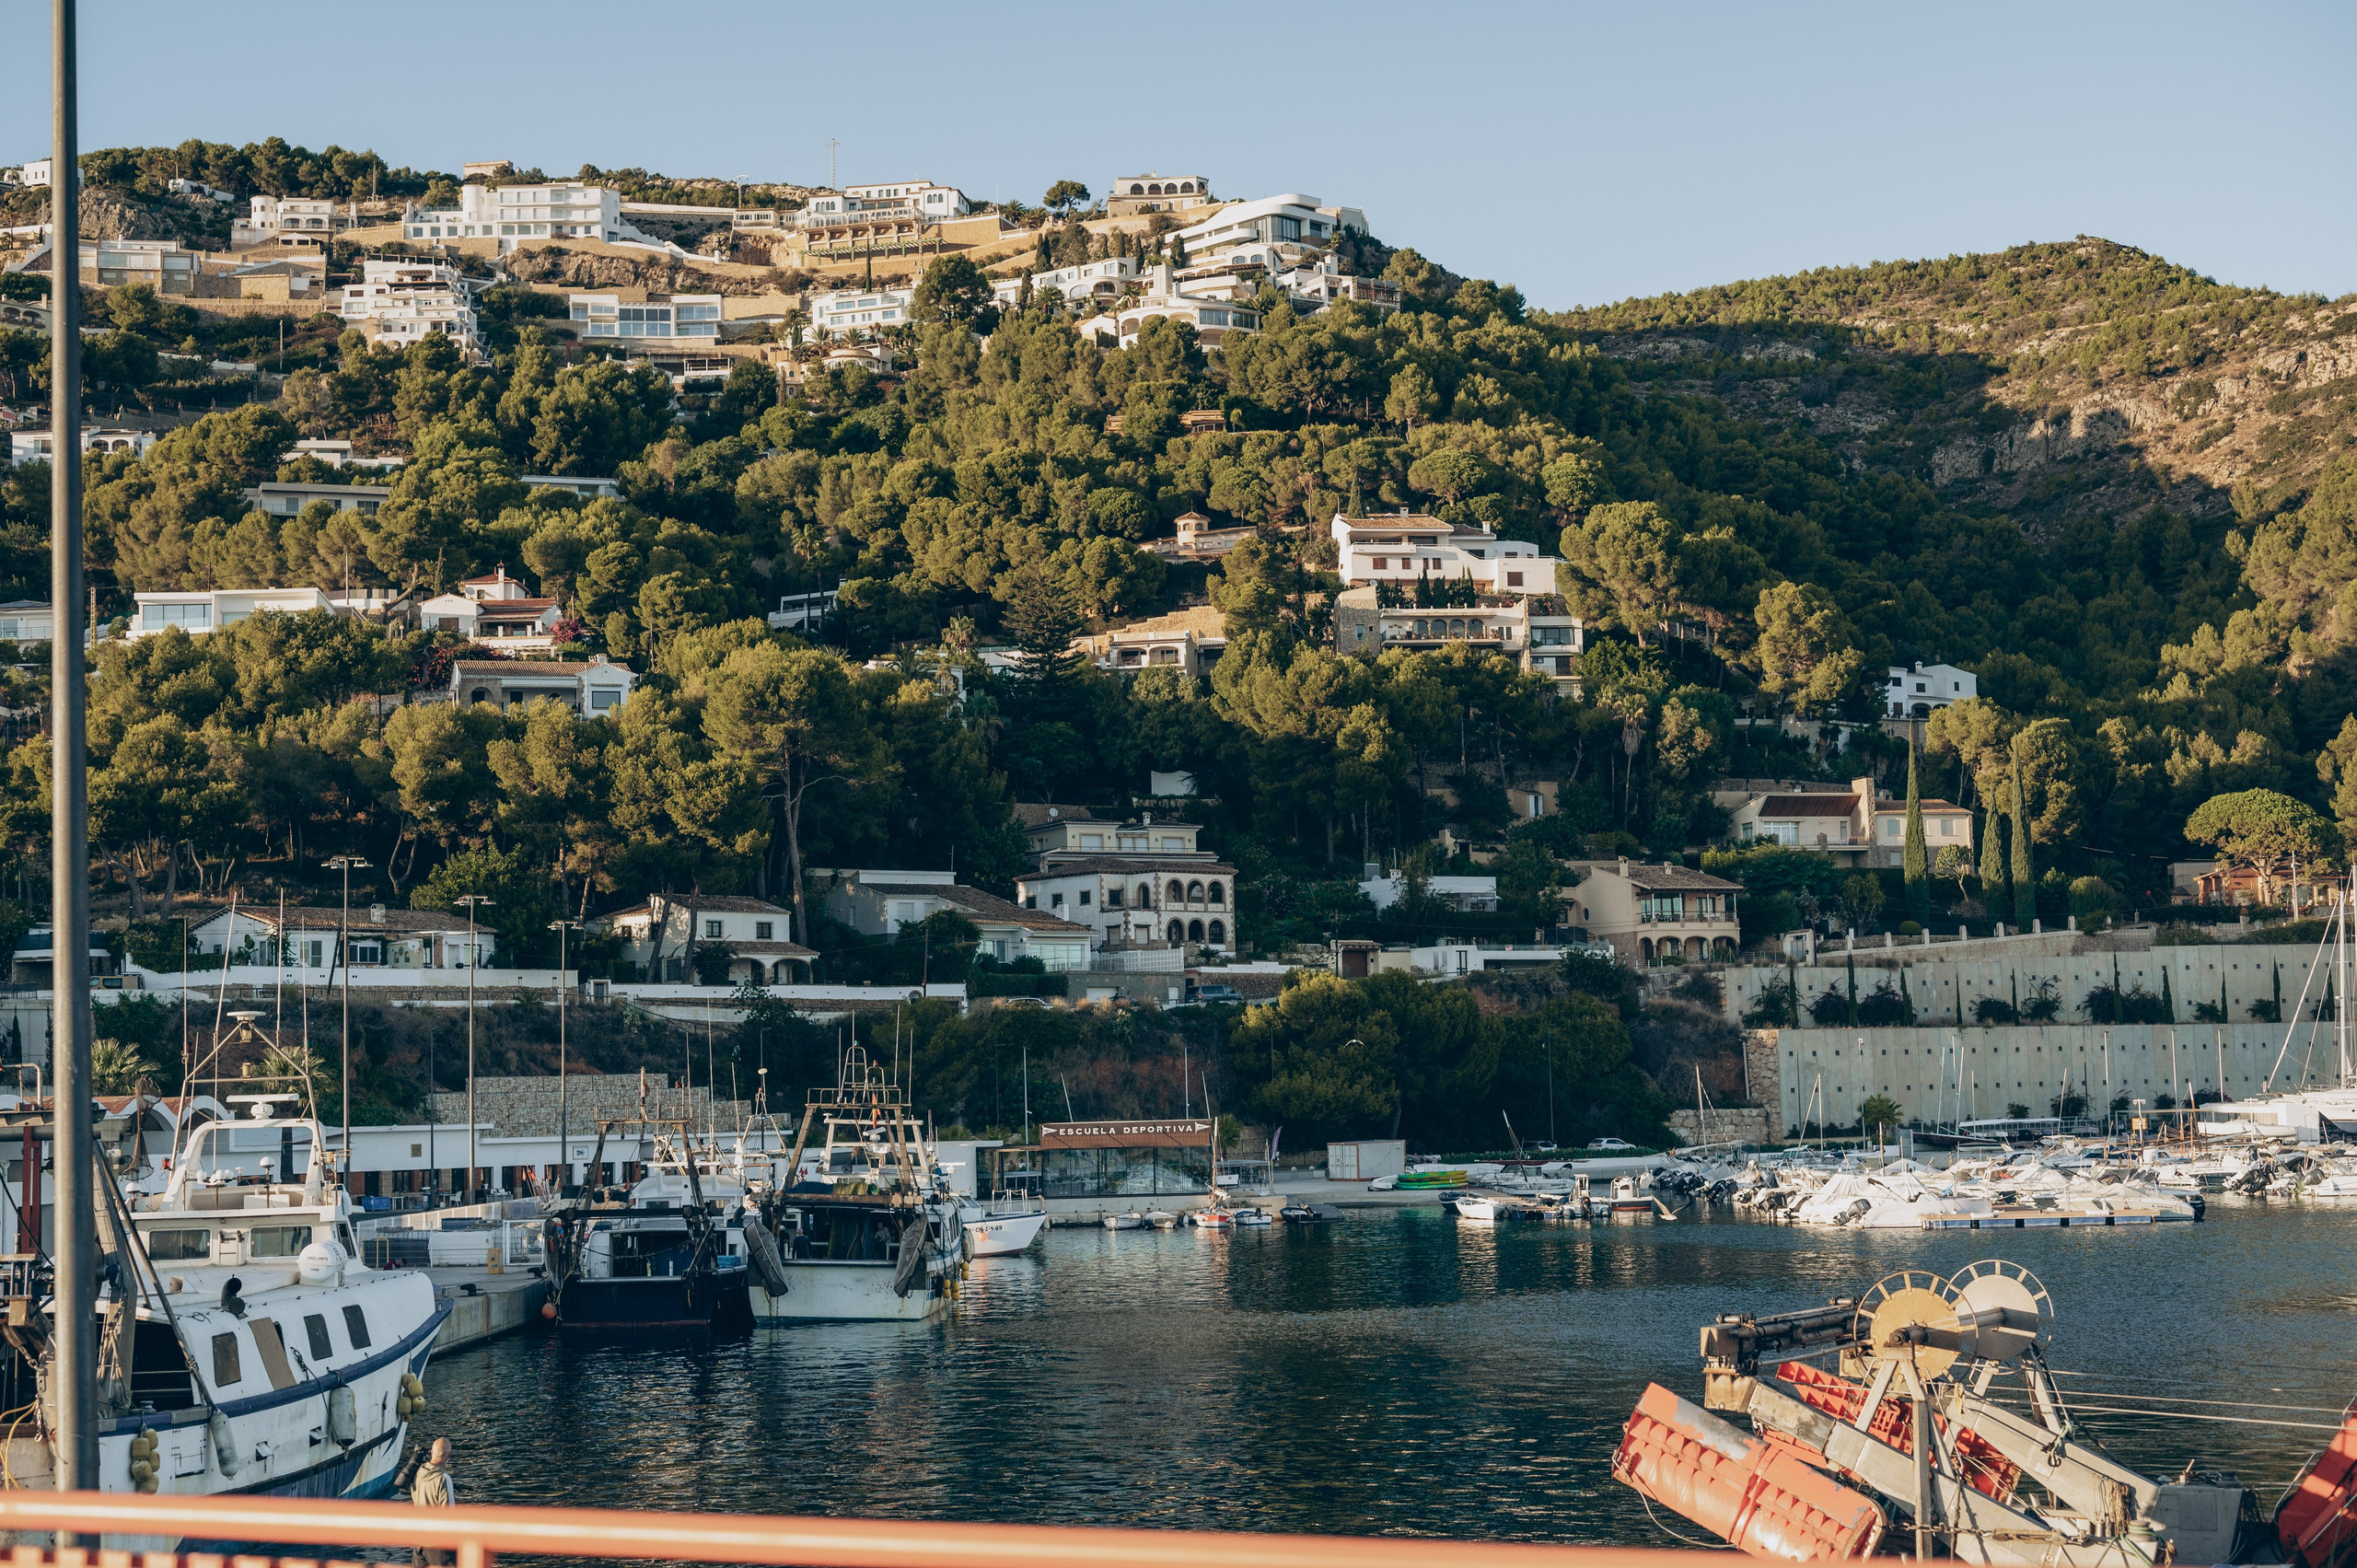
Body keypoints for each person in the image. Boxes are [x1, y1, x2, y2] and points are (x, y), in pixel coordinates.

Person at [411, 1436, 455, 1566]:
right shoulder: (443, 1478)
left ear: (431, 1452)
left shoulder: (418, 1472)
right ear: (449, 1455)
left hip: (419, 1541)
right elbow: (450, 1514)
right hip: (439, 1544)